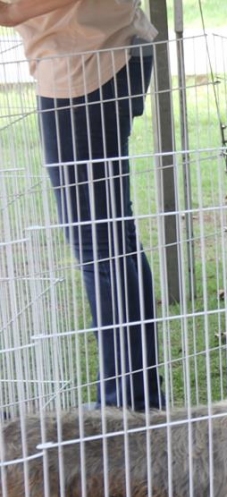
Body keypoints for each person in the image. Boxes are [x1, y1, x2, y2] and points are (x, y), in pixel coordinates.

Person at [1, 0, 165, 411]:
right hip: (106, 50)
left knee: (101, 247)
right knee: (114, 240)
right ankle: (138, 401)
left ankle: (121, 408)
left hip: (85, 67)